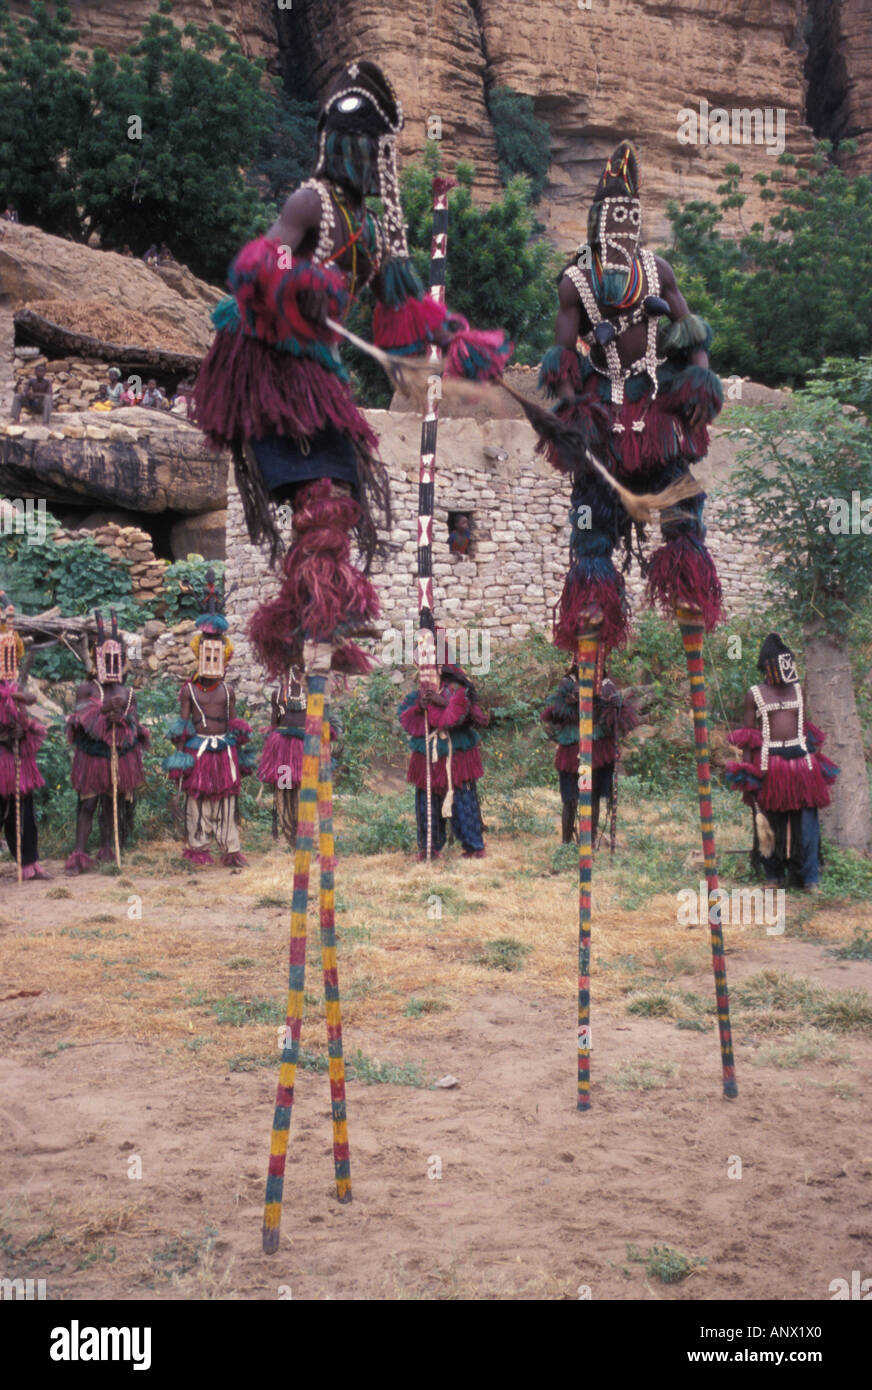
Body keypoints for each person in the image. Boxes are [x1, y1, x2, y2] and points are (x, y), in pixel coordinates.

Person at [194, 58, 511, 684]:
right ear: (331, 145)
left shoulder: (376, 225)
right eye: (347, 144)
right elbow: (267, 256)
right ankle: (315, 611)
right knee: (317, 491)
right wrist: (295, 283)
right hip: (269, 362)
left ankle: (314, 612)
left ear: (381, 155)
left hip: (319, 370)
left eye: (367, 147)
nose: (356, 156)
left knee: (341, 489)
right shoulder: (309, 200)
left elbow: (404, 305)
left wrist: (453, 337)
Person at [536, 141, 723, 655]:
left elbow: (691, 334)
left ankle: (689, 585)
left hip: (656, 407)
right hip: (603, 411)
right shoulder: (575, 281)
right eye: (613, 218)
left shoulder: (658, 270)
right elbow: (561, 357)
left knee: (681, 498)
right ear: (597, 221)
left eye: (629, 218)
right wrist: (575, 412)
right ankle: (593, 602)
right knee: (591, 513)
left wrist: (699, 384)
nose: (621, 228)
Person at [726, 634, 839, 891]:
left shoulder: (799, 689)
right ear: (768, 667)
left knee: (808, 823)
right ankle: (773, 876)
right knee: (769, 820)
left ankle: (810, 878)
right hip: (770, 764)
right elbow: (749, 736)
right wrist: (747, 774)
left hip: (802, 764)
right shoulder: (754, 694)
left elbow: (803, 726)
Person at [164, 571, 254, 867]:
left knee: (227, 799)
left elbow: (235, 724)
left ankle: (230, 848)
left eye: (218, 655)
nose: (213, 661)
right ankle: (198, 846)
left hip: (224, 751)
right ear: (198, 655)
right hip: (198, 750)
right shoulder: (188, 690)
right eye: (207, 654)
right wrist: (179, 764)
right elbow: (183, 727)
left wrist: (242, 759)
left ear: (225, 658)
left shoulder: (228, 691)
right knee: (198, 798)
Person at [65, 611, 149, 874]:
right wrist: (103, 712)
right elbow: (80, 719)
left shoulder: (128, 692)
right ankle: (79, 854)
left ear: (122, 660)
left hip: (119, 757)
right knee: (88, 804)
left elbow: (134, 725)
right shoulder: (88, 688)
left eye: (116, 659)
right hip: (92, 758)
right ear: (98, 660)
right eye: (106, 659)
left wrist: (122, 721)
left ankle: (107, 849)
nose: (112, 664)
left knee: (112, 805)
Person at [399, 661, 490, 860]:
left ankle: (474, 846)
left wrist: (444, 703)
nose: (427, 671)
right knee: (426, 801)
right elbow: (407, 717)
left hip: (457, 756)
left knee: (463, 800)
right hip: (428, 757)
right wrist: (419, 707)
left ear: (441, 667)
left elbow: (467, 716)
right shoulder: (421, 692)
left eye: (432, 667)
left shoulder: (458, 690)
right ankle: (429, 848)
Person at [541, 665, 639, 846]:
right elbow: (555, 712)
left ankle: (590, 841)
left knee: (591, 796)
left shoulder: (606, 684)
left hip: (595, 752)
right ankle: (566, 843)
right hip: (572, 752)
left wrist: (615, 707)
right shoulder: (567, 683)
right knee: (570, 799)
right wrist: (573, 702)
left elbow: (615, 719)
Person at [256, 665, 341, 847]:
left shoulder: (315, 693)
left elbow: (323, 722)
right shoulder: (278, 695)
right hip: (284, 755)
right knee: (285, 792)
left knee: (309, 793)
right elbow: (274, 726)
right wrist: (270, 755)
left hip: (307, 752)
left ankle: (316, 843)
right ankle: (289, 840)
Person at [0, 593, 50, 880]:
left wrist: (23, 730)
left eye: (10, 655)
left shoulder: (14, 686)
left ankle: (28, 862)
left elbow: (25, 720)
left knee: (24, 810)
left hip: (18, 759)